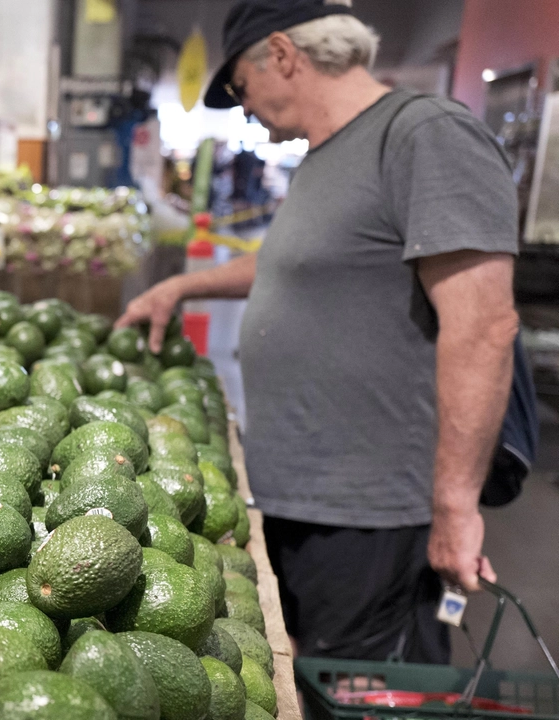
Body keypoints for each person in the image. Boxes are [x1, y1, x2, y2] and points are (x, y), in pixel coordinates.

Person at [117, 0, 519, 662]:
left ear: (282, 54)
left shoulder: (425, 135)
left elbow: (483, 325)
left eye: (242, 89)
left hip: (373, 512)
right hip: (309, 496)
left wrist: (455, 507)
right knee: (312, 677)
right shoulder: (329, 153)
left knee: (364, 690)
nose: (244, 109)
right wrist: (182, 285)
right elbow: (298, 262)